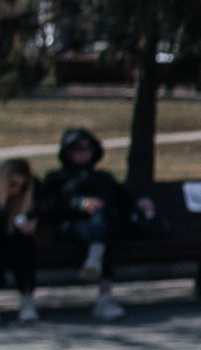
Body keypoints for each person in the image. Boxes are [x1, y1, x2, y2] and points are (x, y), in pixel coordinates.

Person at [36, 126, 154, 324]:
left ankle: (97, 266)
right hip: (72, 228)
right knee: (103, 230)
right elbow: (47, 206)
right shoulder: (56, 179)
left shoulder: (103, 178)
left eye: (88, 148)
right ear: (67, 152)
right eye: (78, 149)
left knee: (105, 227)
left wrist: (141, 203)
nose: (84, 153)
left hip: (105, 230)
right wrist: (80, 204)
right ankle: (104, 296)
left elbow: (124, 201)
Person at [3, 157, 39, 324]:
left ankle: (27, 299)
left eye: (22, 186)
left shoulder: (28, 200)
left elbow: (45, 208)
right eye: (12, 185)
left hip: (16, 249)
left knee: (24, 247)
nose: (16, 191)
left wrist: (32, 224)